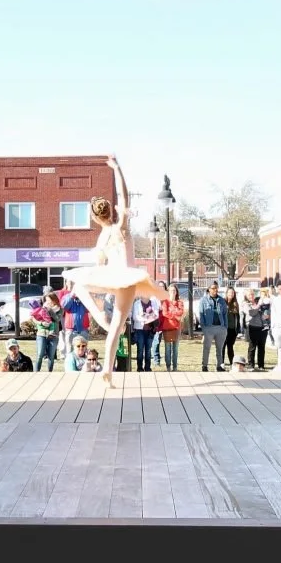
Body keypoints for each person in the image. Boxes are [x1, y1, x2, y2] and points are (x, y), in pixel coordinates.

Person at [57, 155, 168, 388]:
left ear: (95, 217)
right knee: (115, 328)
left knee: (79, 286)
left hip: (114, 277)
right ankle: (106, 367)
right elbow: (123, 197)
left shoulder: (108, 234)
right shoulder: (120, 229)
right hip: (124, 279)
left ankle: (99, 316)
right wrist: (117, 168)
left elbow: (122, 199)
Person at [199, 282, 230, 371]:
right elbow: (201, 315)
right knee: (206, 348)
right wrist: (204, 328)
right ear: (209, 289)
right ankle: (204, 365)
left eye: (216, 288)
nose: (215, 290)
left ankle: (219, 366)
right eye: (213, 288)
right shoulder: (203, 300)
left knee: (219, 348)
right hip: (209, 328)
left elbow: (225, 314)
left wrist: (225, 327)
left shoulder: (221, 300)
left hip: (220, 327)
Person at [32, 292, 63, 371]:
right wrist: (41, 323)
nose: (48, 302)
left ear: (54, 300)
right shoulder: (42, 308)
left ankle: (49, 373)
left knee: (51, 356)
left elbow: (57, 319)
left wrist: (50, 310)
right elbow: (34, 318)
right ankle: (36, 372)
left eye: (49, 300)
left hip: (53, 335)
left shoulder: (60, 309)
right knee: (40, 354)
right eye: (46, 300)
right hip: (42, 334)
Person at [129, 294, 159, 372]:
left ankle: (148, 367)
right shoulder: (137, 303)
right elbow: (135, 317)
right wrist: (146, 319)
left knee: (148, 350)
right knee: (140, 349)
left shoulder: (153, 302)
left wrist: (149, 318)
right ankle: (139, 367)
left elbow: (156, 315)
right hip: (139, 330)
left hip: (150, 330)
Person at [159, 286, 185, 371]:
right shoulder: (165, 302)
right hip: (167, 328)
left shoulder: (180, 302)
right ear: (168, 292)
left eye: (174, 290)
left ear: (176, 292)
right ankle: (168, 366)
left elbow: (181, 312)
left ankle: (175, 367)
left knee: (175, 349)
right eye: (171, 290)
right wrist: (175, 316)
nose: (173, 292)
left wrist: (173, 313)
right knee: (167, 349)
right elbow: (165, 313)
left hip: (176, 328)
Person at [244, 290, 268, 369]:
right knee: (252, 347)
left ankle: (261, 365)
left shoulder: (259, 301)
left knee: (262, 347)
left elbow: (266, 311)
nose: (251, 296)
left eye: (252, 294)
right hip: (252, 327)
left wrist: (267, 315)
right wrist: (259, 305)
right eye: (249, 294)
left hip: (263, 328)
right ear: (246, 296)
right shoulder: (245, 304)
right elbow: (252, 313)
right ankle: (251, 365)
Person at [223, 290, 242, 366]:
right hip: (224, 328)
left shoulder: (235, 304)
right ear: (226, 293)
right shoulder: (223, 302)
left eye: (233, 293)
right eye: (230, 293)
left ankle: (232, 363)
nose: (231, 294)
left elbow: (238, 317)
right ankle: (221, 363)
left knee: (230, 347)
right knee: (222, 346)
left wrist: (237, 329)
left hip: (232, 329)